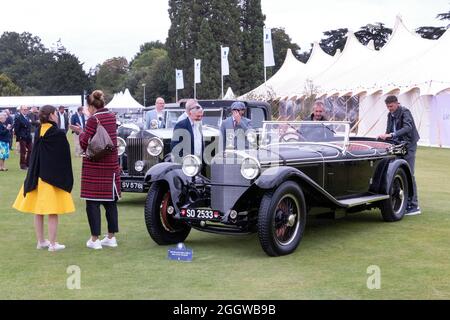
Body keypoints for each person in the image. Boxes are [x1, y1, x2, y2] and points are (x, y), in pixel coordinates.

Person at [12, 105, 75, 252]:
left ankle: (41, 241)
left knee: (39, 211)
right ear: (52, 115)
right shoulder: (57, 133)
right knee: (52, 211)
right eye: (56, 114)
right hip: (50, 178)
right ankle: (53, 244)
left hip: (37, 176)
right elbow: (63, 157)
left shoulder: (39, 130)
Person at [71, 90, 121, 250]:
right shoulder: (112, 117)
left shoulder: (94, 119)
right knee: (110, 203)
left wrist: (80, 132)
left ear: (91, 106)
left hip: (95, 166)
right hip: (111, 165)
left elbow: (85, 143)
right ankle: (111, 237)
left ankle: (95, 239)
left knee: (92, 203)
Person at [378, 95, 420, 216]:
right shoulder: (389, 115)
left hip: (409, 145)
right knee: (399, 172)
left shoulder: (405, 112)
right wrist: (383, 137)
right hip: (398, 146)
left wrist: (391, 135)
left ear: (397, 103)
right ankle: (404, 202)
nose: (389, 109)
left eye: (391, 106)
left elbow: (408, 128)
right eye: (387, 107)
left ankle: (414, 205)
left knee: (409, 173)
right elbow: (388, 130)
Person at [14, 105, 33, 170]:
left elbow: (29, 127)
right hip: (22, 137)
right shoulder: (18, 118)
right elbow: (16, 129)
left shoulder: (28, 117)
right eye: (24, 109)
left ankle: (28, 164)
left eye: (26, 109)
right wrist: (20, 137)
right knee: (23, 151)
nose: (26, 111)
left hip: (28, 137)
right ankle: (23, 165)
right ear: (21, 110)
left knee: (31, 150)